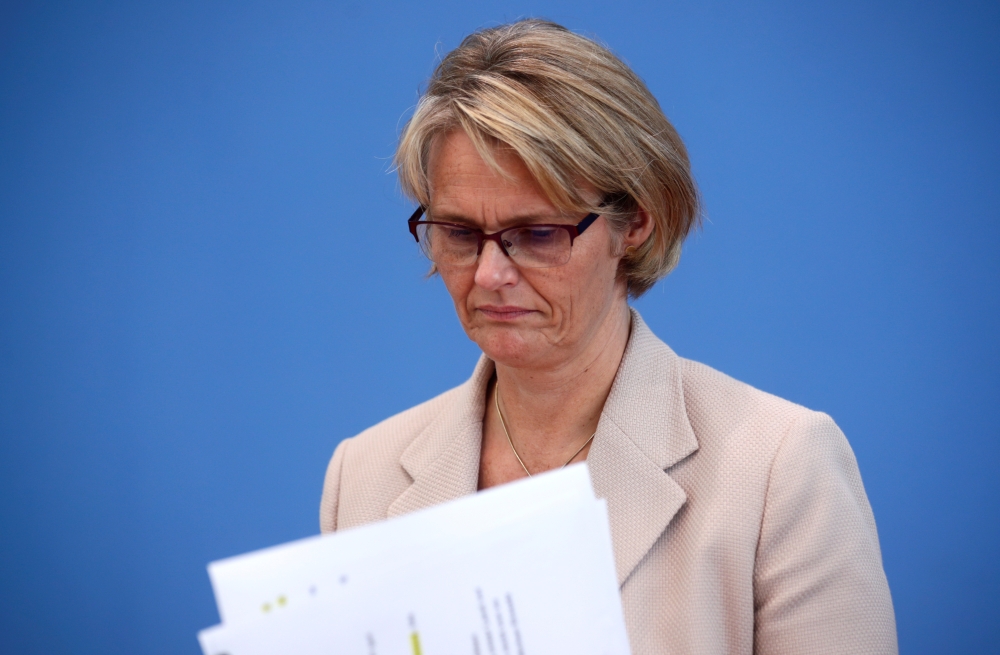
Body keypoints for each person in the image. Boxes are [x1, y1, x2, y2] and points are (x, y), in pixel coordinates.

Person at [320, 19, 896, 655]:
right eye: (458, 232)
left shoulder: (779, 469)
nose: (489, 274)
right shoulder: (364, 476)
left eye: (537, 233)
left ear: (636, 225)